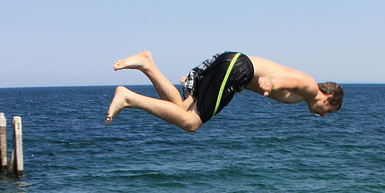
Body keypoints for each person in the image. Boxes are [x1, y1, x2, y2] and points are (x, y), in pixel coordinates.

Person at [105, 50, 343, 131]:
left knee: (180, 109)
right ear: (329, 98)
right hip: (238, 70)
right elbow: (286, 81)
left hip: (231, 66)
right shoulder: (310, 87)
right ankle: (129, 98)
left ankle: (147, 64)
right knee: (191, 123)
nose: (322, 115)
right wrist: (272, 85)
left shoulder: (304, 97)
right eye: (327, 110)